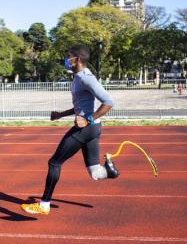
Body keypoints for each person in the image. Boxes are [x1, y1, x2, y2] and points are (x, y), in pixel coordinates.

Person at [21, 44, 119, 215]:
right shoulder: (78, 78)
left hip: (86, 129)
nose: (67, 60)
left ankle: (44, 204)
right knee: (96, 172)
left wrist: (88, 120)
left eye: (69, 56)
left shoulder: (86, 78)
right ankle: (110, 170)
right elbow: (81, 106)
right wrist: (61, 114)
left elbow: (108, 102)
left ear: (77, 59)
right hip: (93, 129)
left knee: (54, 163)